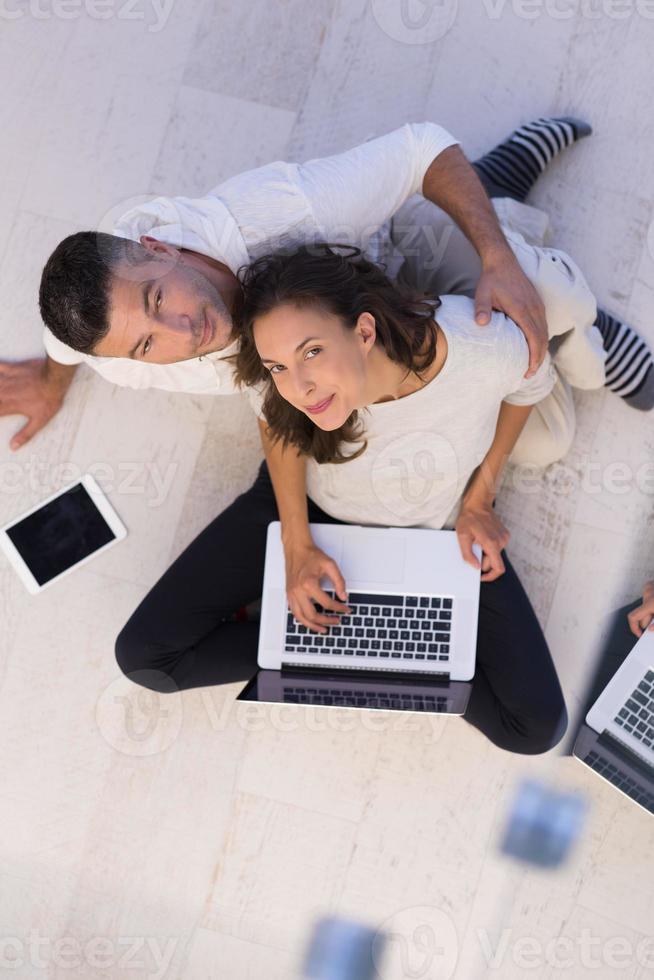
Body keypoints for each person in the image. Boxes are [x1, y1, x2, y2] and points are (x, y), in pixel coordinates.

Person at [116, 232, 617, 755]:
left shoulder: (481, 348)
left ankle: (358, 657)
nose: (300, 386)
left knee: (535, 728)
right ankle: (358, 656)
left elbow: (529, 386)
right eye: (280, 367)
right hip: (313, 508)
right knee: (146, 657)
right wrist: (296, 542)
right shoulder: (285, 379)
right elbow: (277, 422)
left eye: (312, 351)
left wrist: (479, 500)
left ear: (363, 331)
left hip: (437, 530)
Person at [2, 119, 651, 449]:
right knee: (538, 442)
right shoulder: (113, 352)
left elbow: (422, 147)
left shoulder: (288, 208)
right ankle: (493, 192)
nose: (179, 331)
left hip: (385, 274)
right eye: (145, 343)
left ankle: (569, 318)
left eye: (157, 298)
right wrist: (52, 380)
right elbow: (70, 346)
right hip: (346, 360)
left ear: (157, 247)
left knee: (525, 284)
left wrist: (497, 261)